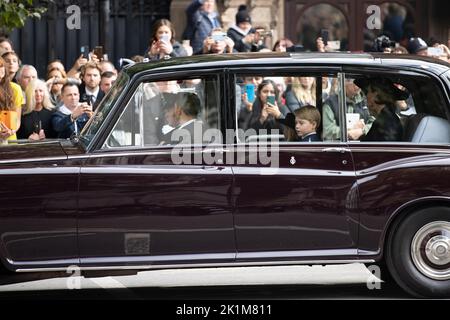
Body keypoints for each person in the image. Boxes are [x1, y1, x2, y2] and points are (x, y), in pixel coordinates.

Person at [355, 77, 410, 142]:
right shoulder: (384, 120)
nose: (366, 97)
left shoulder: (387, 124)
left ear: (376, 95)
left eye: (367, 92)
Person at [0, 56, 23, 143]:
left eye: (1, 66)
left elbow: (17, 120)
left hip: (9, 140)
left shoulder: (15, 89)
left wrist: (11, 130)